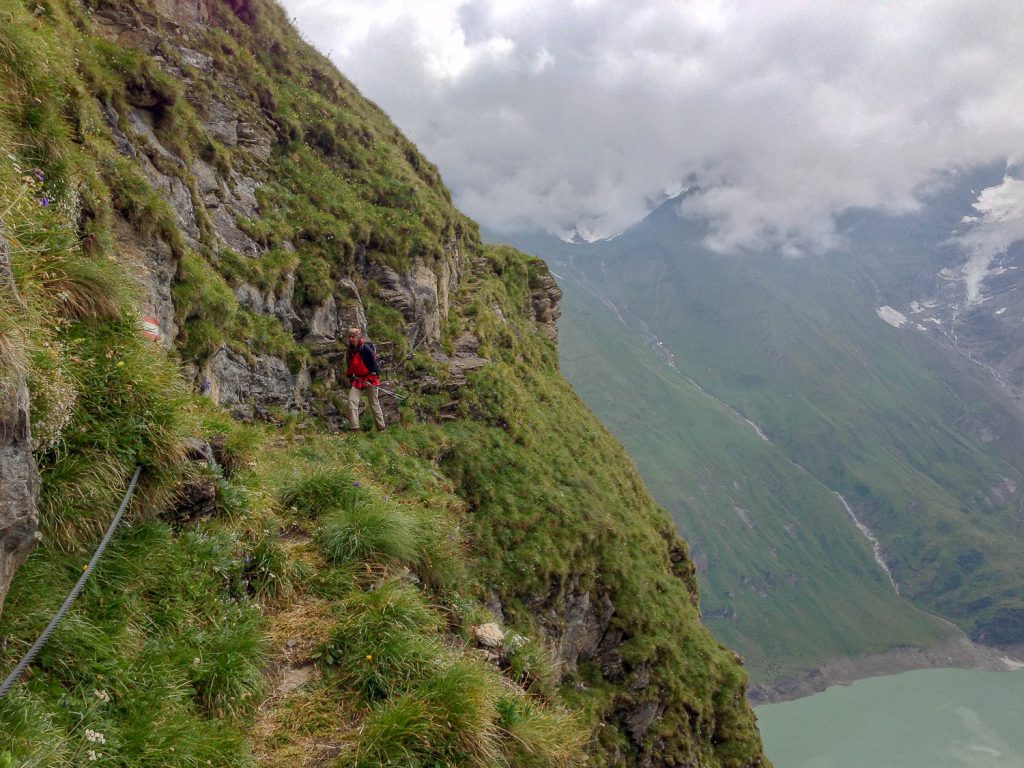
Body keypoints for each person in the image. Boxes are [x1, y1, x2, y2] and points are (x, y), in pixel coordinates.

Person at [345, 327, 386, 431]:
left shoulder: (366, 349)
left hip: (370, 378)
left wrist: (370, 380)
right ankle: (355, 429)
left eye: (353, 337)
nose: (351, 339)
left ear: (358, 337)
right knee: (352, 401)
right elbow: (350, 366)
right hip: (358, 379)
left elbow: (375, 366)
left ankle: (381, 428)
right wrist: (351, 377)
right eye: (349, 337)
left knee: (374, 403)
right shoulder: (350, 351)